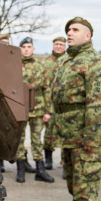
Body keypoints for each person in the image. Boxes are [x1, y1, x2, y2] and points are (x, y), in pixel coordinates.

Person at [46, 17, 101, 201]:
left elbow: (98, 103)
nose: (69, 33)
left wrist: (91, 138)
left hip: (85, 135)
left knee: (86, 184)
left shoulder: (95, 63)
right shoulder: (66, 60)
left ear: (88, 35)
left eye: (75, 30)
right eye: (68, 30)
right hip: (68, 134)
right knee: (75, 183)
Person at [16, 37, 54, 184]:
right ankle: (21, 168)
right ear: (20, 49)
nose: (26, 49)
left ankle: (40, 169)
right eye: (24, 46)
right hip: (20, 108)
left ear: (33, 49)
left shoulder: (40, 66)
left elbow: (46, 88)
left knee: (37, 140)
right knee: (19, 139)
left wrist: (47, 111)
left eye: (29, 46)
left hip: (37, 108)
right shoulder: (14, 65)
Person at [41, 36, 67, 170]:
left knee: (65, 134)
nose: (59, 46)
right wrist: (47, 108)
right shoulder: (46, 62)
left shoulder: (68, 61)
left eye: (61, 44)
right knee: (49, 134)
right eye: (56, 44)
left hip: (64, 105)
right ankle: (48, 160)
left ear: (65, 46)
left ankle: (65, 163)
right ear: (53, 45)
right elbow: (44, 86)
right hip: (50, 104)